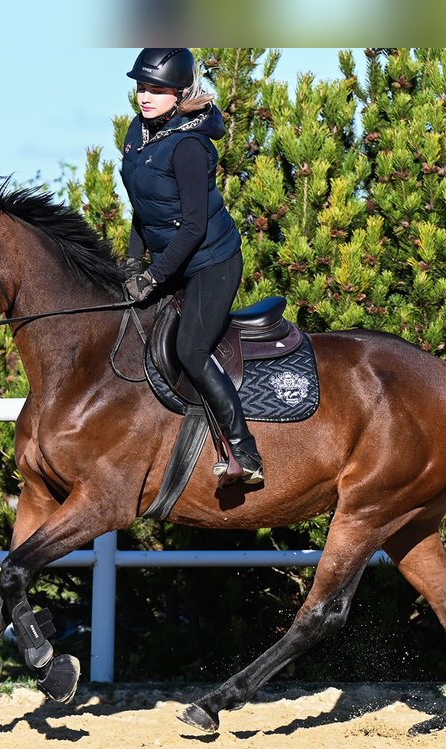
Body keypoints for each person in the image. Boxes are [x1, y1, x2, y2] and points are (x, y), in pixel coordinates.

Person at [120, 47, 264, 486]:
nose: (145, 97)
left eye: (157, 90)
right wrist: (130, 261)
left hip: (210, 261)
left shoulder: (188, 146)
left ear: (180, 94)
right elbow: (144, 208)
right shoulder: (138, 132)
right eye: (142, 87)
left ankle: (246, 451)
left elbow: (194, 227)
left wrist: (153, 275)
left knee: (191, 350)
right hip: (170, 258)